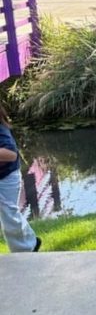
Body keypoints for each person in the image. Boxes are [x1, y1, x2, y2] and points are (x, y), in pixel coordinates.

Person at [0, 104, 41, 253]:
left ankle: (25, 251)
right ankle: (31, 242)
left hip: (6, 178)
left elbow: (10, 154)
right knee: (9, 214)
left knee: (9, 216)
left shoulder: (0, 128)